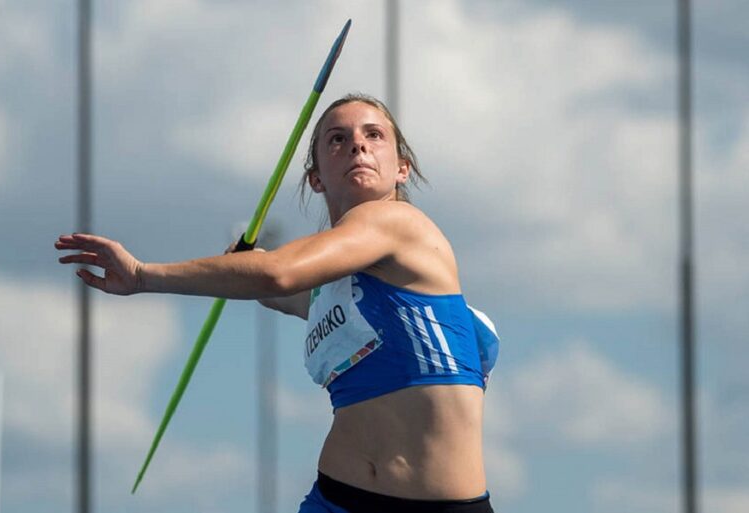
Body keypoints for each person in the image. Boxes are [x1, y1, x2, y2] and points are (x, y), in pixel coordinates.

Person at [55, 93, 499, 513]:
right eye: (338, 139)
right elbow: (274, 289)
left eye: (374, 135)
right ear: (315, 178)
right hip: (337, 498)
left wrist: (142, 275)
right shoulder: (333, 286)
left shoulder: (396, 222)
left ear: (402, 168)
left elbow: (277, 275)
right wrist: (243, 265)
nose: (358, 145)